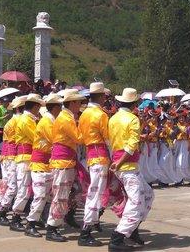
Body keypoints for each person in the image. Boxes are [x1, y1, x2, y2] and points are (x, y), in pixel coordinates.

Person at [108, 88, 154, 251]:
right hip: (126, 165)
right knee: (137, 201)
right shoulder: (133, 119)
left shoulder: (113, 119)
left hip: (124, 164)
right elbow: (131, 145)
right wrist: (120, 162)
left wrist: (116, 161)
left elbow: (113, 141)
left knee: (148, 194)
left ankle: (132, 228)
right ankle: (118, 236)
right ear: (134, 103)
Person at [46, 90, 85, 242]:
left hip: (65, 160)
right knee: (60, 195)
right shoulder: (66, 119)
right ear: (73, 103)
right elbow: (78, 138)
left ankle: (61, 220)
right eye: (79, 102)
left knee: (69, 192)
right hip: (63, 162)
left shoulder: (65, 117)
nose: (80, 105)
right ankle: (52, 227)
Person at [25, 93, 63, 238]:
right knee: (40, 195)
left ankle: (38, 220)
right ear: (55, 107)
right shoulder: (47, 121)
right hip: (40, 164)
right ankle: (31, 223)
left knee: (46, 196)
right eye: (60, 106)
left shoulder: (50, 120)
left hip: (47, 163)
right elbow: (56, 140)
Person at [78, 82, 110, 246]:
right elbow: (108, 138)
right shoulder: (101, 115)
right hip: (100, 155)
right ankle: (85, 231)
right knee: (95, 193)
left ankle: (92, 223)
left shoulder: (84, 114)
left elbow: (81, 138)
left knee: (95, 191)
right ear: (102, 96)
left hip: (91, 155)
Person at [10, 94, 44, 232]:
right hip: (25, 157)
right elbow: (37, 136)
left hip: (28, 157)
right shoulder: (26, 120)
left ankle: (23, 217)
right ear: (35, 106)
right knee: (24, 190)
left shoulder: (28, 119)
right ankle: (16, 218)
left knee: (29, 190)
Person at [0, 96, 27, 226]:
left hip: (6, 155)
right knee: (13, 186)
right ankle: (2, 212)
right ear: (22, 108)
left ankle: (1, 209)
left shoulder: (11, 120)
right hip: (12, 155)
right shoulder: (20, 119)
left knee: (7, 184)